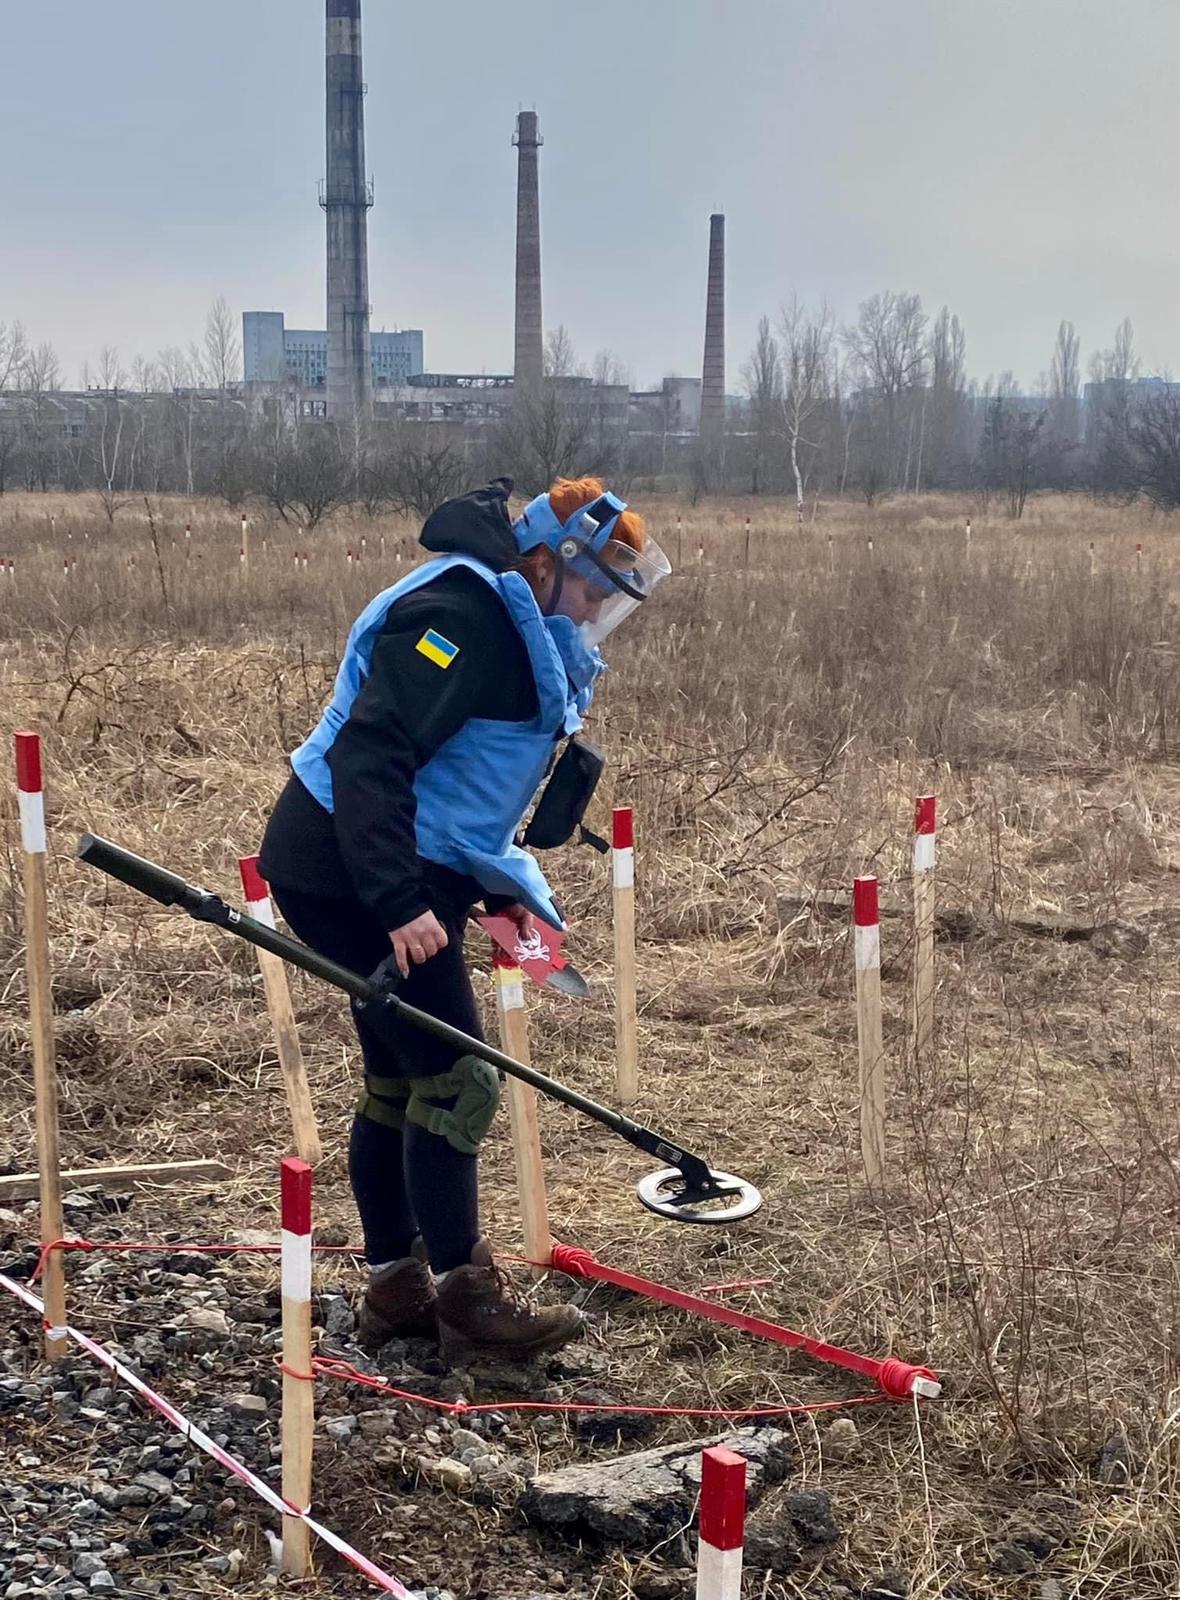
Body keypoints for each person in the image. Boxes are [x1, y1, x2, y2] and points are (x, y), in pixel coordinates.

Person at [258, 475, 670, 1362]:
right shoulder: (459, 618)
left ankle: (395, 1288)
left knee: (404, 1079)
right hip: (347, 866)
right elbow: (372, 754)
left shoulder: (504, 617)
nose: (599, 608)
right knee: (457, 1078)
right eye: (596, 587)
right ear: (550, 562)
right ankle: (468, 1299)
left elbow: (456, 784)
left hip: (390, 862)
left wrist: (484, 884)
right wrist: (400, 901)